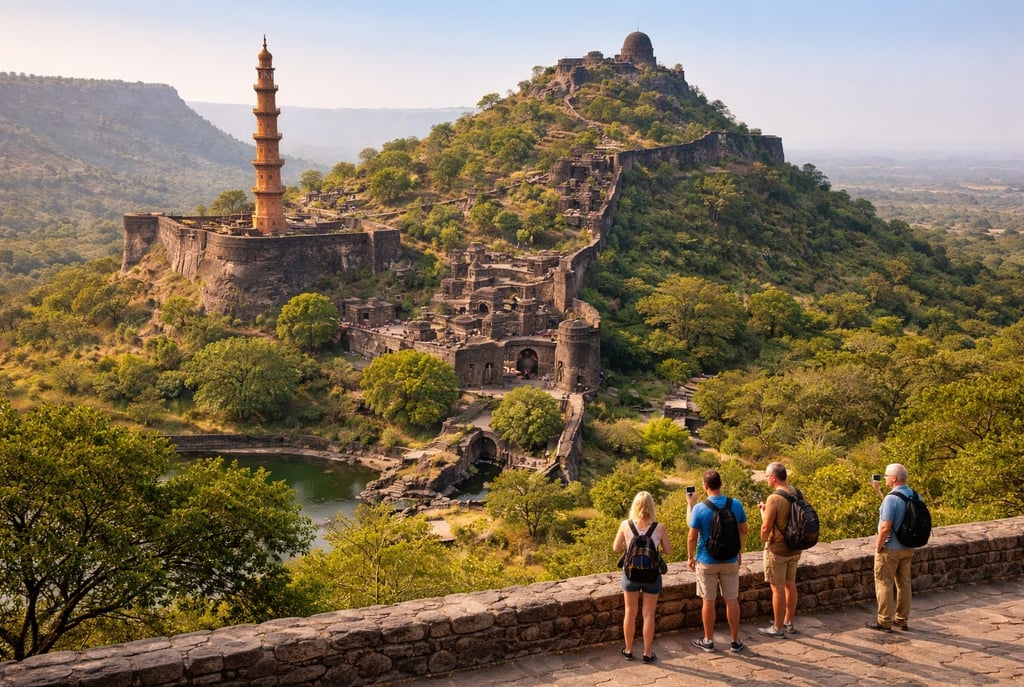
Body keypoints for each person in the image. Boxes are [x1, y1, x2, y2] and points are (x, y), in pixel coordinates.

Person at [687, 469, 748, 653]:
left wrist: (690, 557)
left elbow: (692, 537)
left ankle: (708, 641)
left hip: (706, 560)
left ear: (705, 486)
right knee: (732, 600)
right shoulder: (735, 504)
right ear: (720, 484)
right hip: (730, 560)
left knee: (708, 601)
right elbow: (744, 530)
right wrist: (738, 551)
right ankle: (735, 641)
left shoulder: (699, 508)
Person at [612, 491, 671, 664]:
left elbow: (616, 548)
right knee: (648, 615)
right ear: (652, 507)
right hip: (652, 575)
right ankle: (647, 653)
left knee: (630, 613)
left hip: (630, 574)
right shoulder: (659, 528)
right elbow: (668, 551)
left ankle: (629, 650)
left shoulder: (626, 525)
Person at [866, 463, 914, 632]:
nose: (885, 478)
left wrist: (878, 546)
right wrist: (879, 492)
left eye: (886, 475)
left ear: (894, 478)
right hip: (907, 547)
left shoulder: (891, 499)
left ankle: (884, 621)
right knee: (904, 584)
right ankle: (902, 619)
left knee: (884, 583)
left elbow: (886, 526)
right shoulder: (913, 494)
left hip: (890, 548)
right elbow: (898, 511)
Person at [757, 462, 801, 638]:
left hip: (777, 549)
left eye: (767, 476)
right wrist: (764, 512)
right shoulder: (797, 492)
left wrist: (763, 540)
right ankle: (788, 622)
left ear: (774, 477)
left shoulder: (773, 498)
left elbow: (766, 527)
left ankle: (777, 627)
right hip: (795, 547)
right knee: (791, 585)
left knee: (777, 588)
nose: (766, 479)